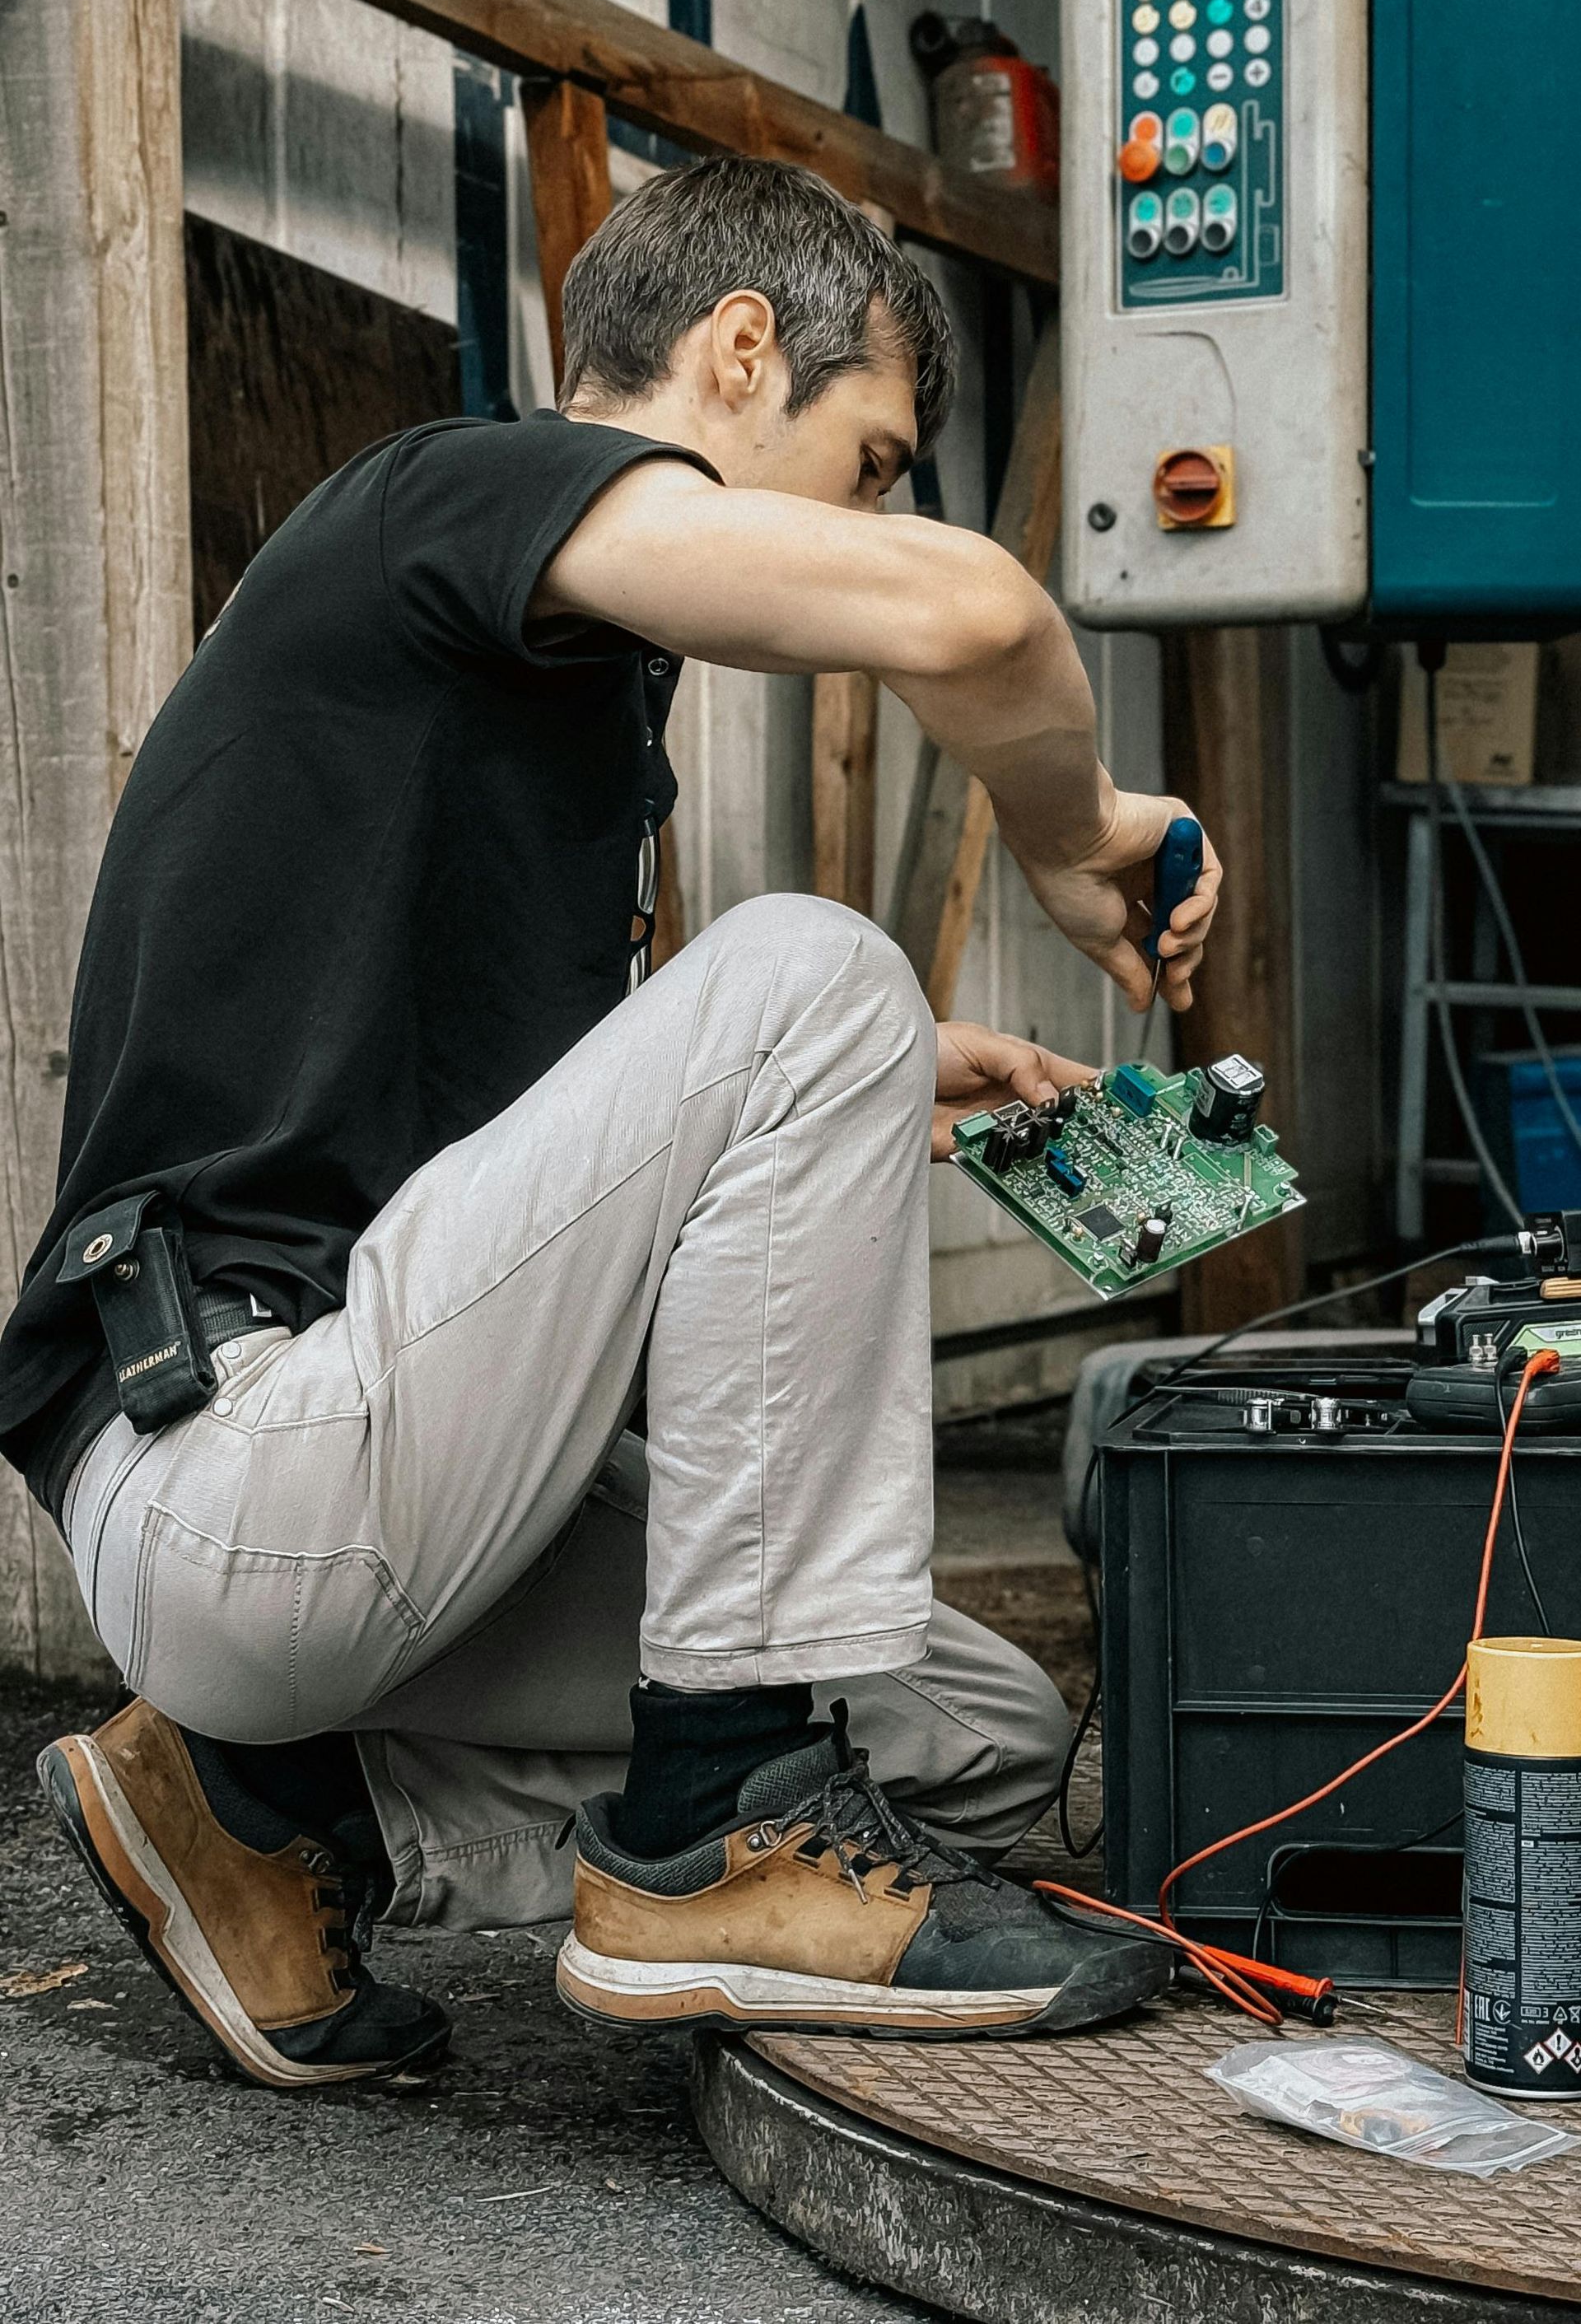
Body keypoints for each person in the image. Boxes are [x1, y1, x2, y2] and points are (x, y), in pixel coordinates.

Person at [0, 157, 1220, 2091]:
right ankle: (703, 1836)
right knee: (822, 969)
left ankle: (259, 1805)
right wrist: (1082, 843)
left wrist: (890, 1087)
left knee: (972, 1730)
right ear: (743, 352)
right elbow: (982, 622)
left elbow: (499, 1156)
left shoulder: (549, 710)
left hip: (345, 1512)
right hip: (227, 1453)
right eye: (877, 454)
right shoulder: (452, 493)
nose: (882, 507)